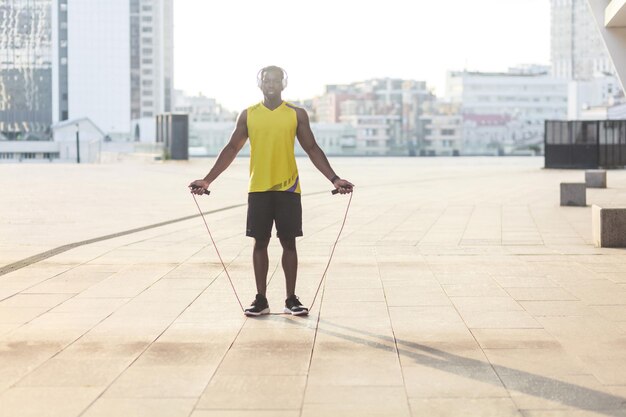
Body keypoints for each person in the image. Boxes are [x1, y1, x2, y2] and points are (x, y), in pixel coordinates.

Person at [189, 65, 353, 317]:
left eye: (276, 80)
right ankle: (261, 299)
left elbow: (311, 148)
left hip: (288, 188)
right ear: (260, 83)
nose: (271, 84)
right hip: (259, 188)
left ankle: (291, 299)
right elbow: (232, 148)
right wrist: (208, 180)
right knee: (260, 242)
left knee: (289, 242)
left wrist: (334, 178)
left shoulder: (296, 114)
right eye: (267, 80)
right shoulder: (248, 115)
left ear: (283, 84)